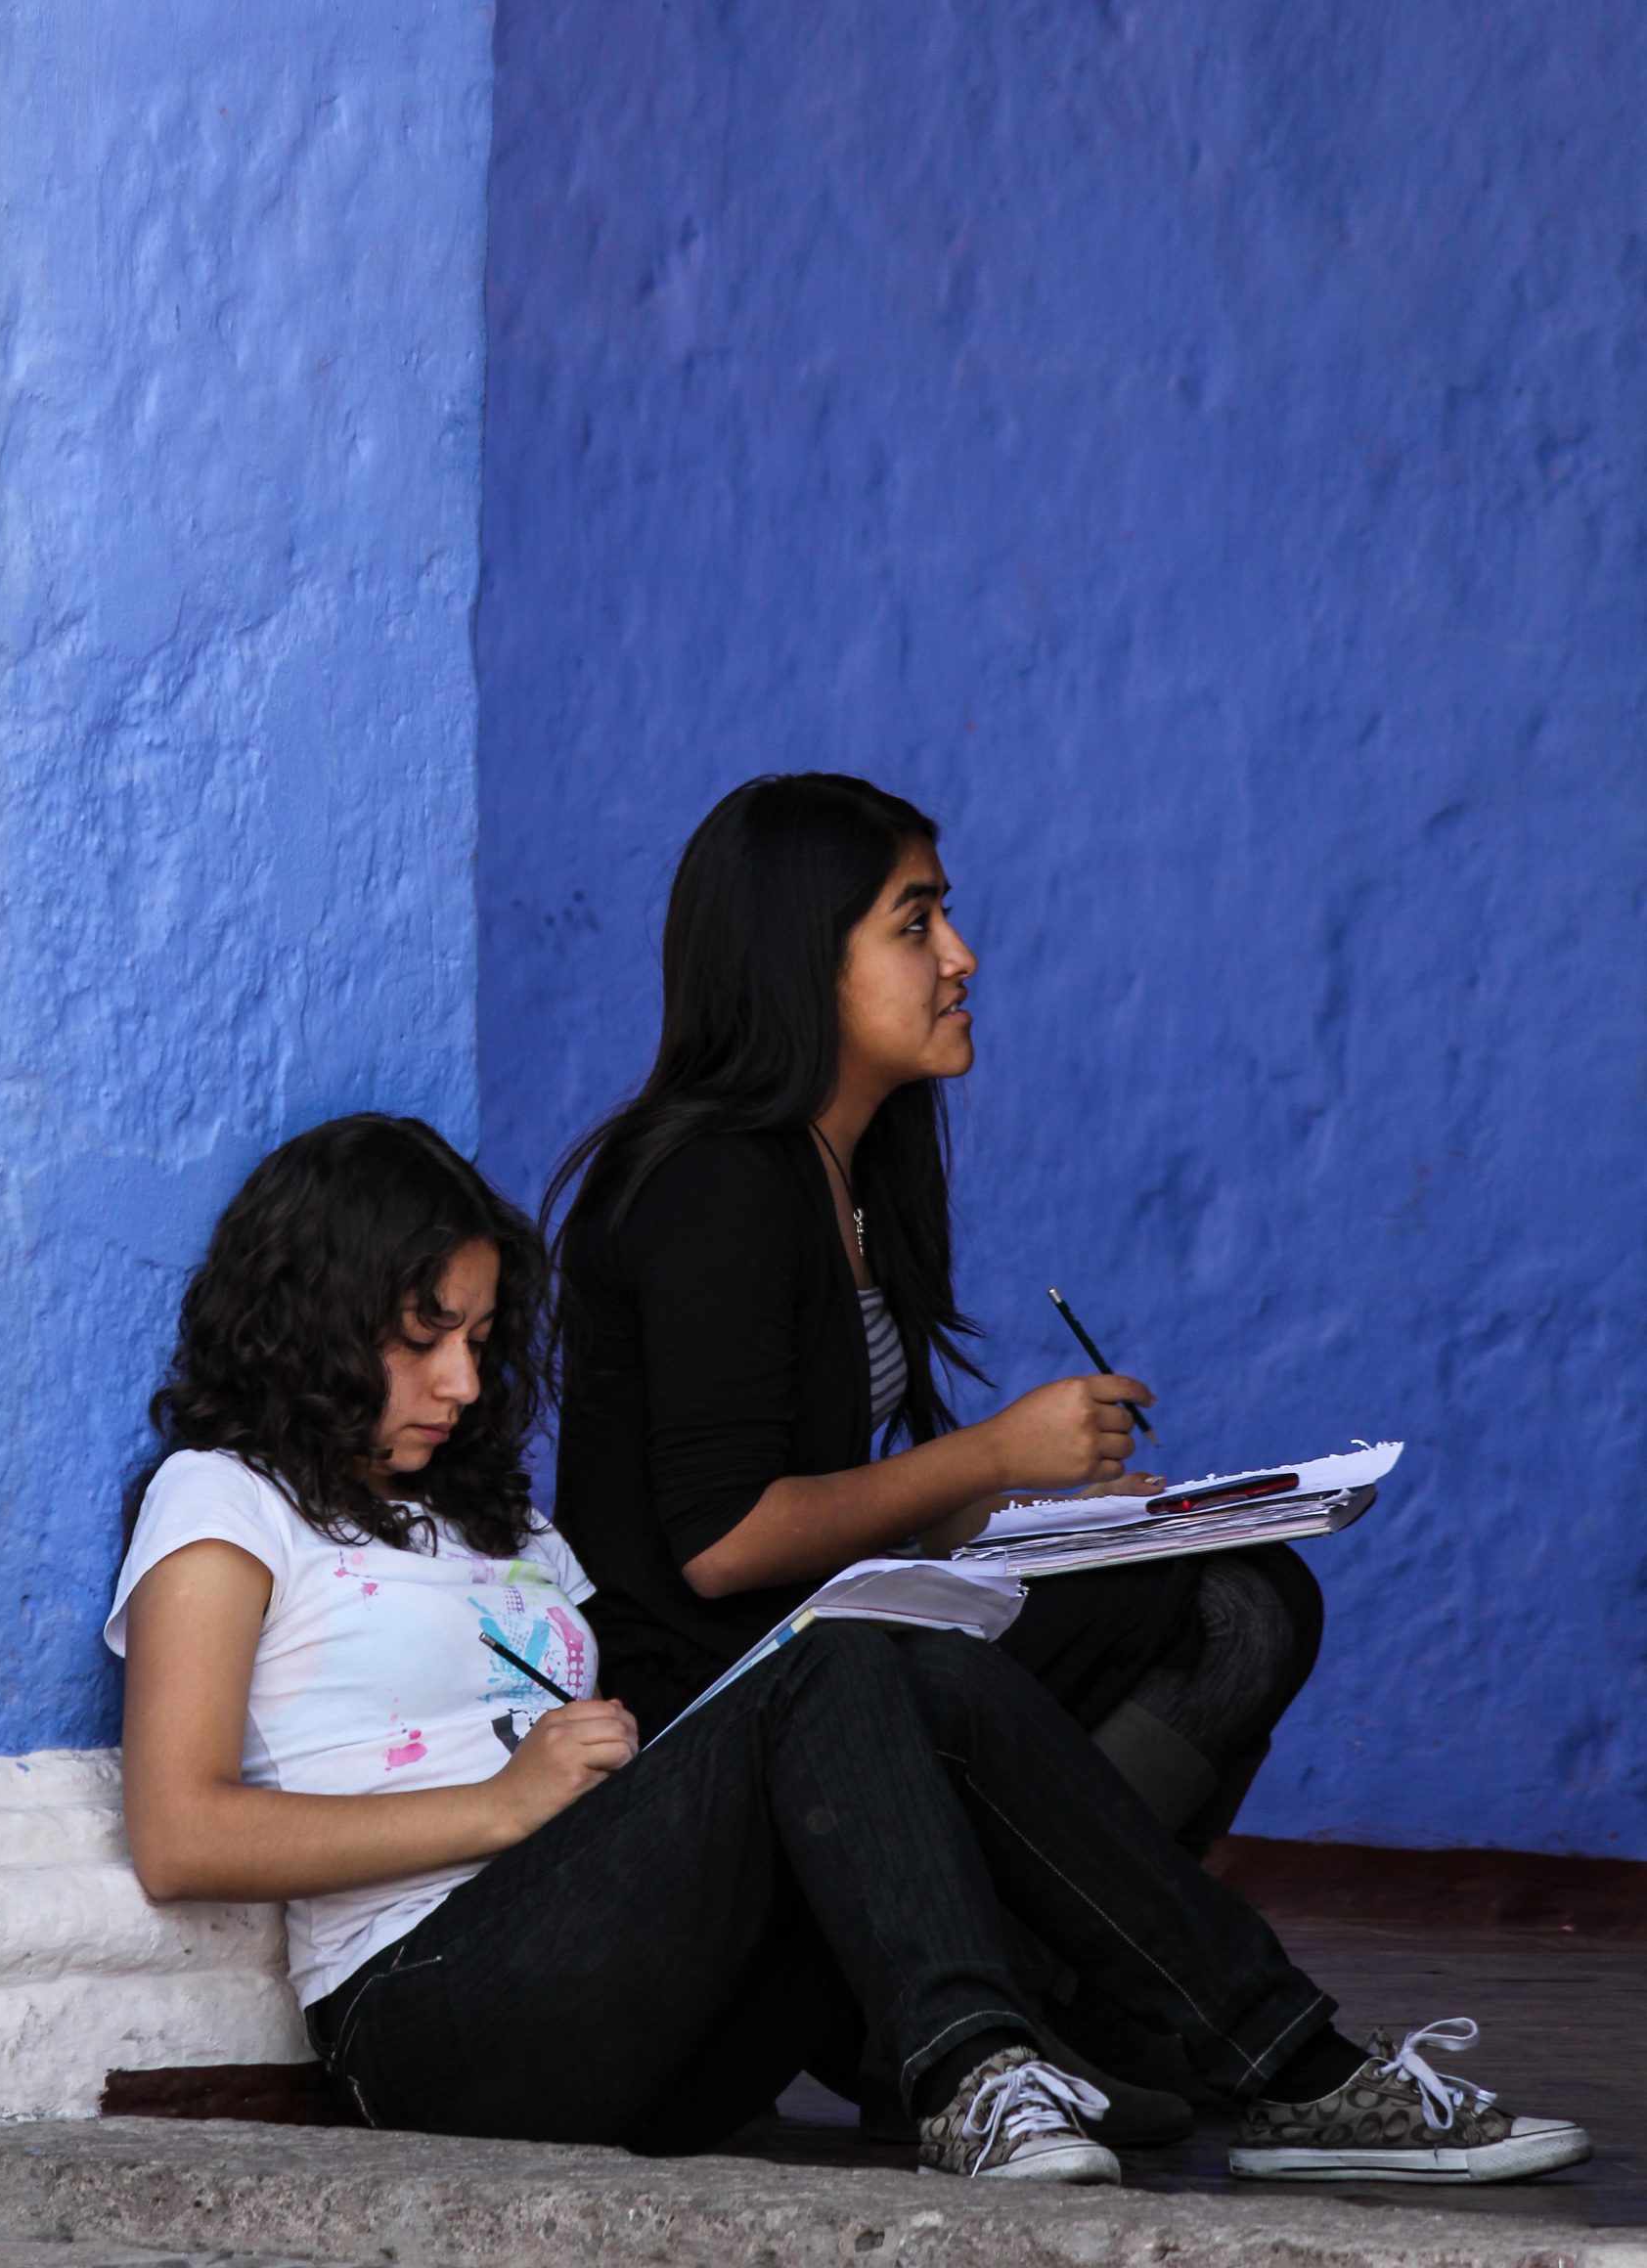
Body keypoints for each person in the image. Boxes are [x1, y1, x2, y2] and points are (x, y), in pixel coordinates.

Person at [111, 1115, 1586, 2187]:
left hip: (639, 2008)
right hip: (436, 2017)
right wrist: (502, 1809)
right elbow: (181, 1834)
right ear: (311, 1317)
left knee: (899, 1650)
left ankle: (1285, 2067)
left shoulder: (495, 1517)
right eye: (421, 1336)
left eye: (484, 1340)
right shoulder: (225, 1498)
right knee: (841, 1659)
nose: (461, 1379)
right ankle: (983, 2068)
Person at [551, 773, 1319, 1859]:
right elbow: (725, 1543)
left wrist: (1041, 1519)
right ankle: (1038, 1936)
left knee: (1247, 1579)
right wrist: (990, 1452)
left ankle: (1051, 1933)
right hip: (712, 1681)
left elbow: (831, 1495)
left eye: (944, 916)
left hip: (823, 1628)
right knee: (1232, 1611)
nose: (961, 956)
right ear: (800, 961)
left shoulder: (849, 1172)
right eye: (915, 925)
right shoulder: (714, 1184)